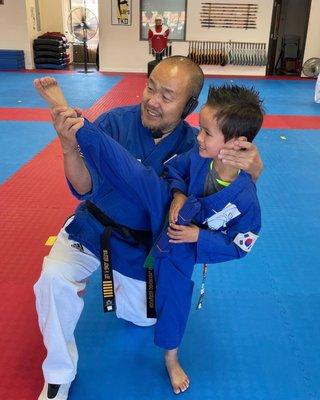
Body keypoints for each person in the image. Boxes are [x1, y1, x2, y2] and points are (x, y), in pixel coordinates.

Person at [33, 57, 263, 399]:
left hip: (143, 247)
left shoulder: (198, 146)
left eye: (167, 96)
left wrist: (253, 175)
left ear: (189, 106)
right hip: (92, 226)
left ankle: (137, 306)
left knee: (144, 318)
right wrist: (69, 145)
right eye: (150, 87)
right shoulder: (115, 122)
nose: (152, 101)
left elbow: (231, 217)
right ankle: (58, 373)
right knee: (52, 278)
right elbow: (83, 188)